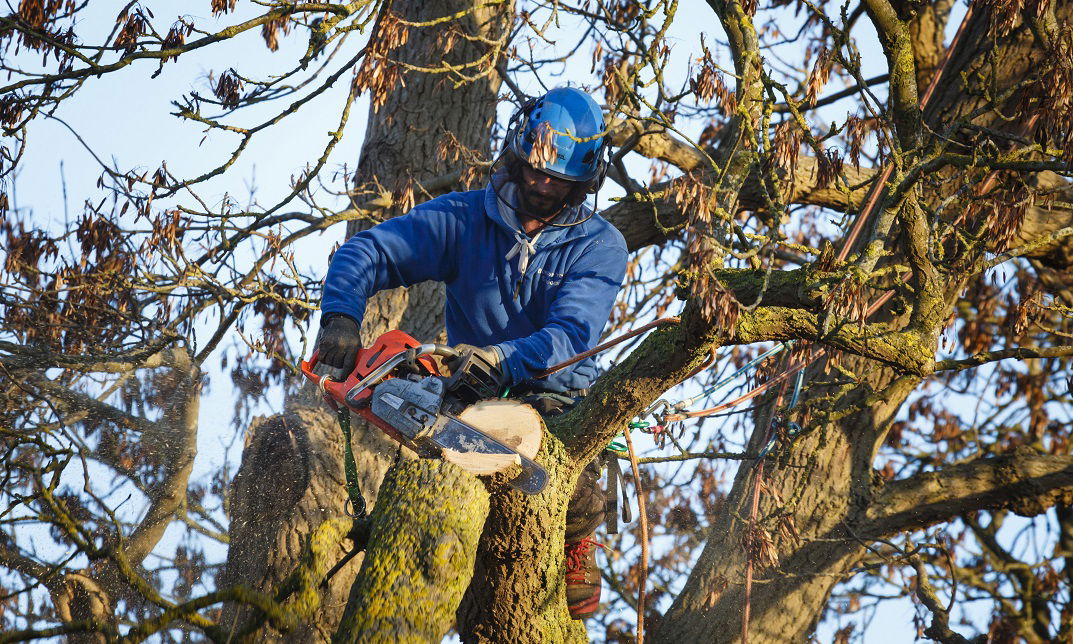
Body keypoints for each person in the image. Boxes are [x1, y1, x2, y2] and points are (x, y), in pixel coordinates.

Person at [316, 86, 628, 620]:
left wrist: (502, 359)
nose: (539, 182)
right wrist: (341, 317)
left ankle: (575, 540)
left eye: (557, 179)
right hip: (468, 395)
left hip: (559, 401)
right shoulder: (463, 220)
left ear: (584, 182)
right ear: (516, 149)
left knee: (570, 489)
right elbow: (367, 250)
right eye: (533, 167)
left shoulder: (600, 245)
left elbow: (572, 335)